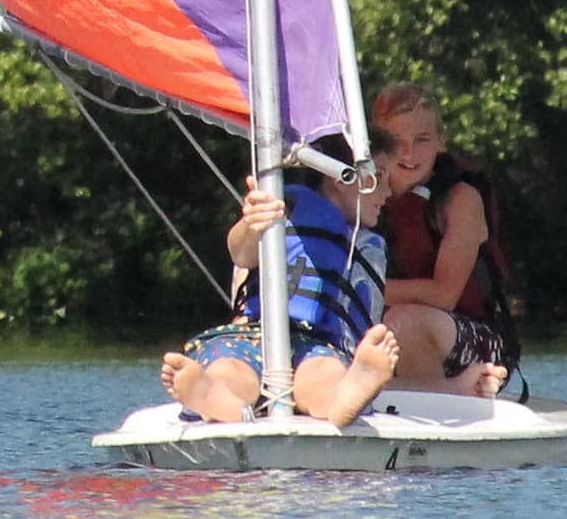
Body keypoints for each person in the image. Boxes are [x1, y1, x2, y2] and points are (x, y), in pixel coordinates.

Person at [156, 138, 404, 428]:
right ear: (339, 176)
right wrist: (252, 223)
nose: (387, 191)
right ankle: (213, 393)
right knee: (231, 369)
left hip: (315, 344)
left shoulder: (364, 242)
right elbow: (241, 252)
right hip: (251, 333)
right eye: (379, 177)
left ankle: (342, 398)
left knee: (323, 376)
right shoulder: (286, 203)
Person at [369, 81, 515, 398]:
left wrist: (359, 286)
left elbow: (443, 296)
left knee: (402, 321)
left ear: (441, 142)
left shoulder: (461, 200)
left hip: (472, 340)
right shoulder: (358, 197)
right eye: (395, 140)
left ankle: (448, 398)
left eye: (422, 140)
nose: (408, 153)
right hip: (383, 332)